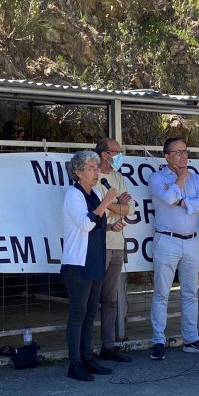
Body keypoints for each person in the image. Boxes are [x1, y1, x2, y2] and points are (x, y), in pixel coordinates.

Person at [61, 150, 126, 381]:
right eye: (91, 168)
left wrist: (111, 227)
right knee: (78, 313)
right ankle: (74, 363)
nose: (96, 171)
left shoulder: (96, 193)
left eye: (97, 167)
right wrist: (108, 202)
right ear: (78, 172)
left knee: (90, 313)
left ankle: (88, 358)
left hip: (95, 260)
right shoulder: (73, 195)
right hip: (78, 262)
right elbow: (86, 224)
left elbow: (98, 224)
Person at [148, 137, 199, 360]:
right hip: (167, 240)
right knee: (161, 292)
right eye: (178, 152)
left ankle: (191, 339)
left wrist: (183, 201)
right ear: (167, 156)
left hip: (192, 241)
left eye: (185, 152)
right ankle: (158, 340)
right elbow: (167, 197)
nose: (184, 156)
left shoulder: (196, 177)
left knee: (190, 292)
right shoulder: (157, 177)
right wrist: (181, 180)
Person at [93, 138, 134, 362]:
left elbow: (130, 208)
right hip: (99, 246)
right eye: (116, 152)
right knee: (91, 298)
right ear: (104, 154)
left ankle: (108, 346)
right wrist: (114, 205)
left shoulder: (118, 177)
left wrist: (112, 205)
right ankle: (83, 349)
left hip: (118, 244)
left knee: (110, 299)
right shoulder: (92, 176)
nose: (119, 156)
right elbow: (97, 210)